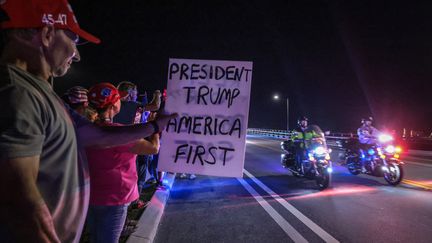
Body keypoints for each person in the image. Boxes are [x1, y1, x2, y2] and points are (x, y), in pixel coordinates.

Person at [0, 1, 177, 242]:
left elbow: (98, 136)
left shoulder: (41, 92)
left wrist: (155, 125)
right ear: (47, 33)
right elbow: (17, 199)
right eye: (73, 38)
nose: (77, 53)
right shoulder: (17, 93)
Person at [85, 83, 160, 243]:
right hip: (115, 198)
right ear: (113, 105)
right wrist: (156, 128)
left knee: (95, 237)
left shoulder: (85, 129)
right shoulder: (119, 133)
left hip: (91, 195)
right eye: (119, 98)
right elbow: (153, 148)